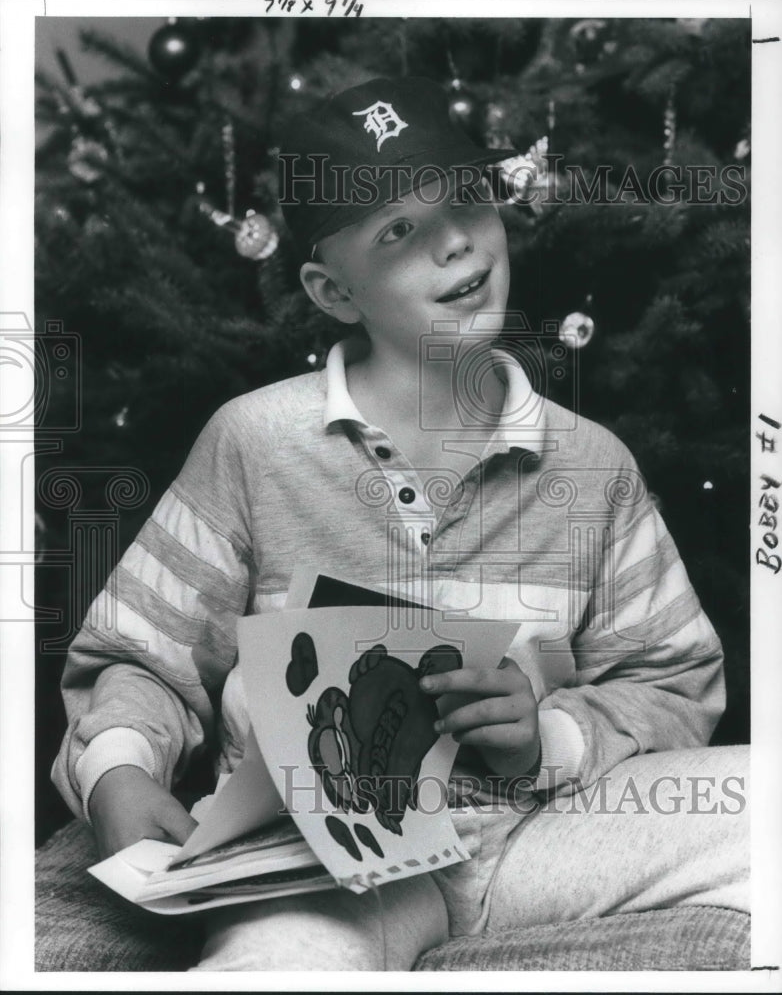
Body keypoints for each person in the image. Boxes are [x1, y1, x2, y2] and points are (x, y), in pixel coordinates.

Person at [51, 77, 748, 971]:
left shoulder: (592, 463)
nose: (455, 240)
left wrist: (551, 733)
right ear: (333, 291)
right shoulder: (254, 444)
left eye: (466, 202)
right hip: (325, 865)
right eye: (397, 231)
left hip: (540, 833)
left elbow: (675, 679)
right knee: (283, 965)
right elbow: (136, 657)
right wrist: (116, 769)